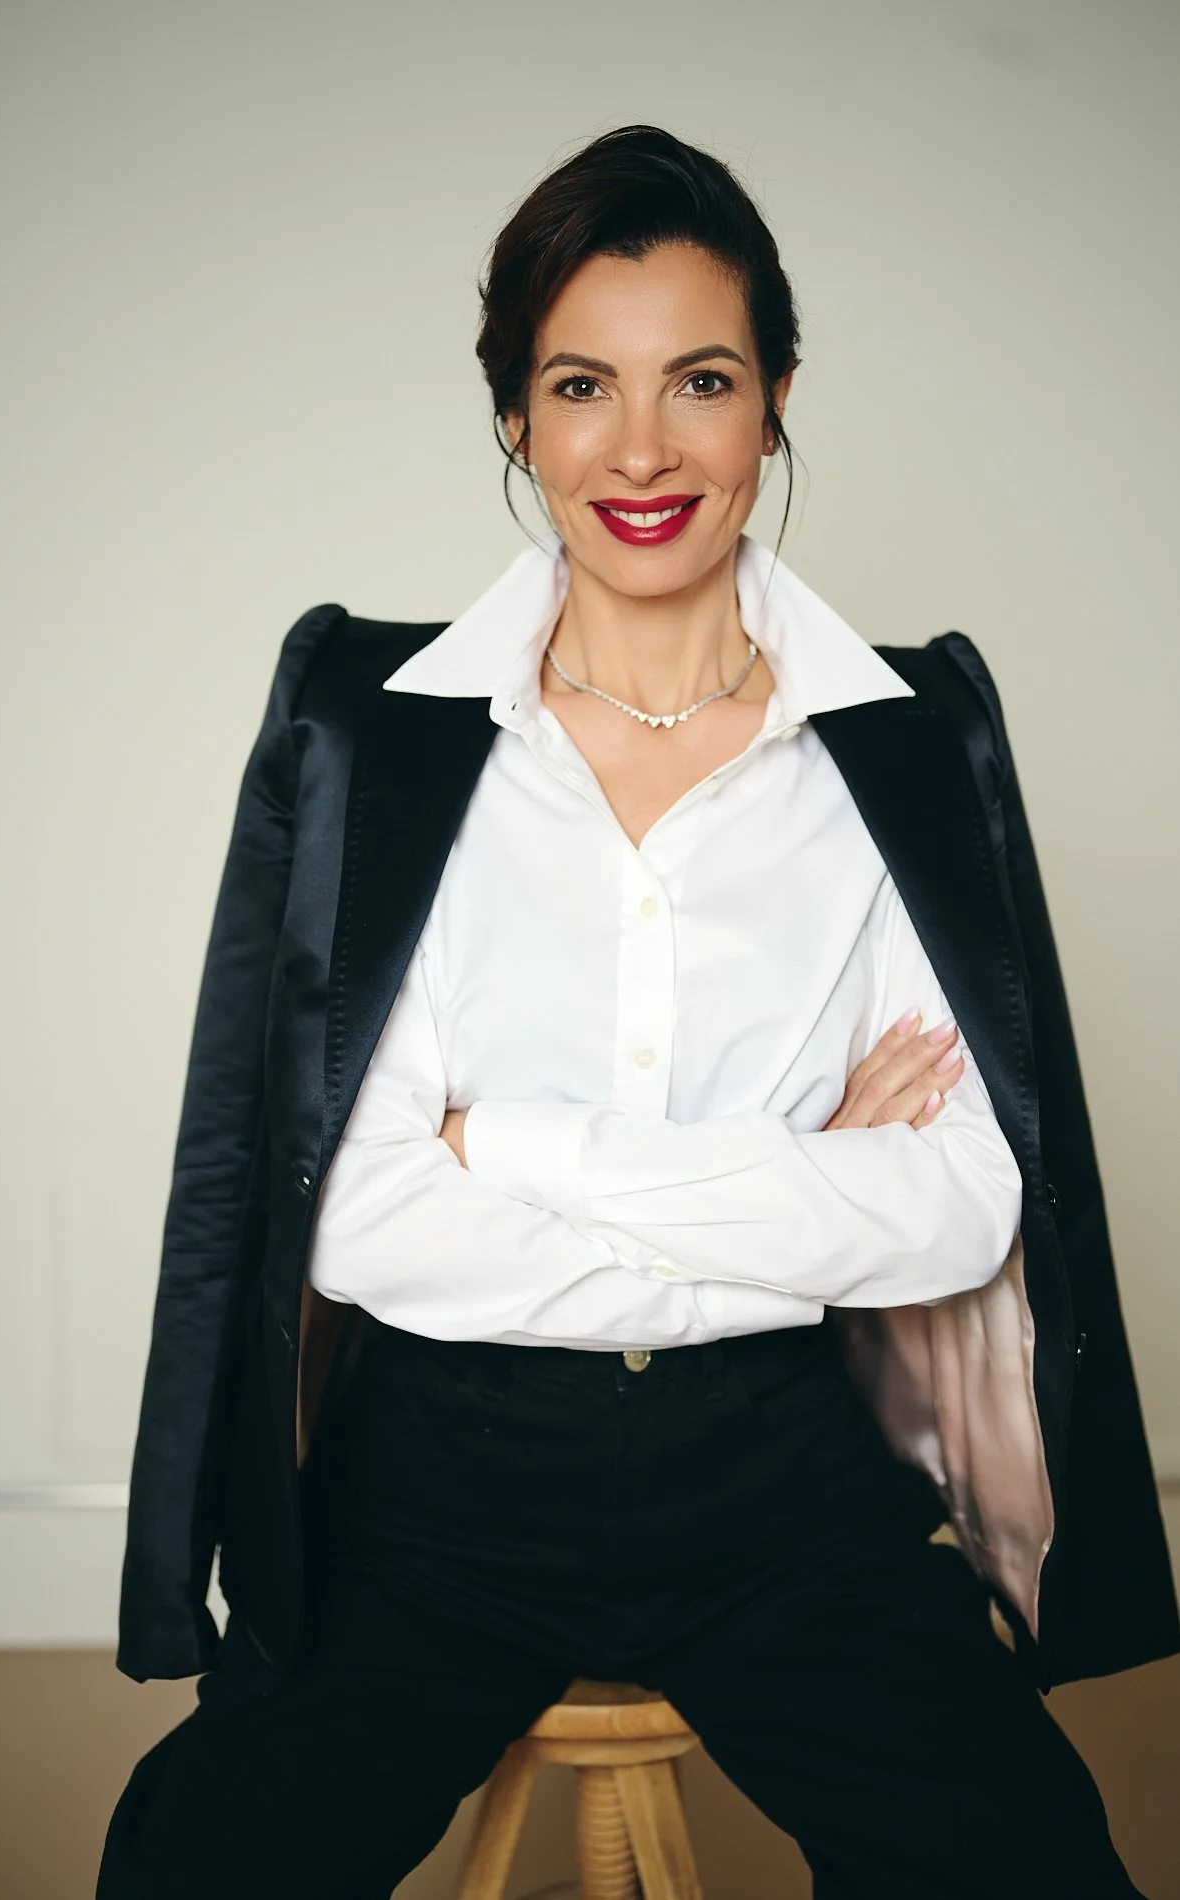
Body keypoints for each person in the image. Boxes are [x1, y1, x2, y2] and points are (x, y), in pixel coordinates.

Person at [97, 125, 1177, 1899]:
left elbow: (962, 1204)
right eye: (580, 383)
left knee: (1032, 1862)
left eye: (701, 378)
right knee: (196, 1862)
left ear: (773, 403)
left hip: (786, 1483)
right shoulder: (383, 738)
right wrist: (797, 1175)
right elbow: (361, 1221)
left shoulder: (899, 745)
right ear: (515, 416)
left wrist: (504, 1145)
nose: (643, 446)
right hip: (437, 1491)